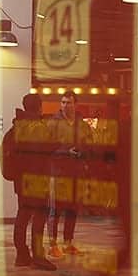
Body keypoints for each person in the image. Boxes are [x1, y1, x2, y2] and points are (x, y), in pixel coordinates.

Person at [1, 93, 56, 270]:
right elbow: (51, 149)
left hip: (21, 181)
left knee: (22, 216)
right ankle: (38, 256)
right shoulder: (39, 128)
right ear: (39, 107)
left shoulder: (14, 129)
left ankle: (22, 255)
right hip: (38, 180)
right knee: (39, 218)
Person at [46, 91, 90, 258]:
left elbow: (89, 143)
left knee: (72, 210)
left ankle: (68, 243)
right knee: (55, 209)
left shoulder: (81, 124)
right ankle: (52, 245)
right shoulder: (53, 123)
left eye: (69, 102)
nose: (65, 105)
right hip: (58, 172)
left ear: (75, 104)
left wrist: (83, 152)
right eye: (63, 102)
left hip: (76, 172)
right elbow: (46, 147)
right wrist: (65, 152)